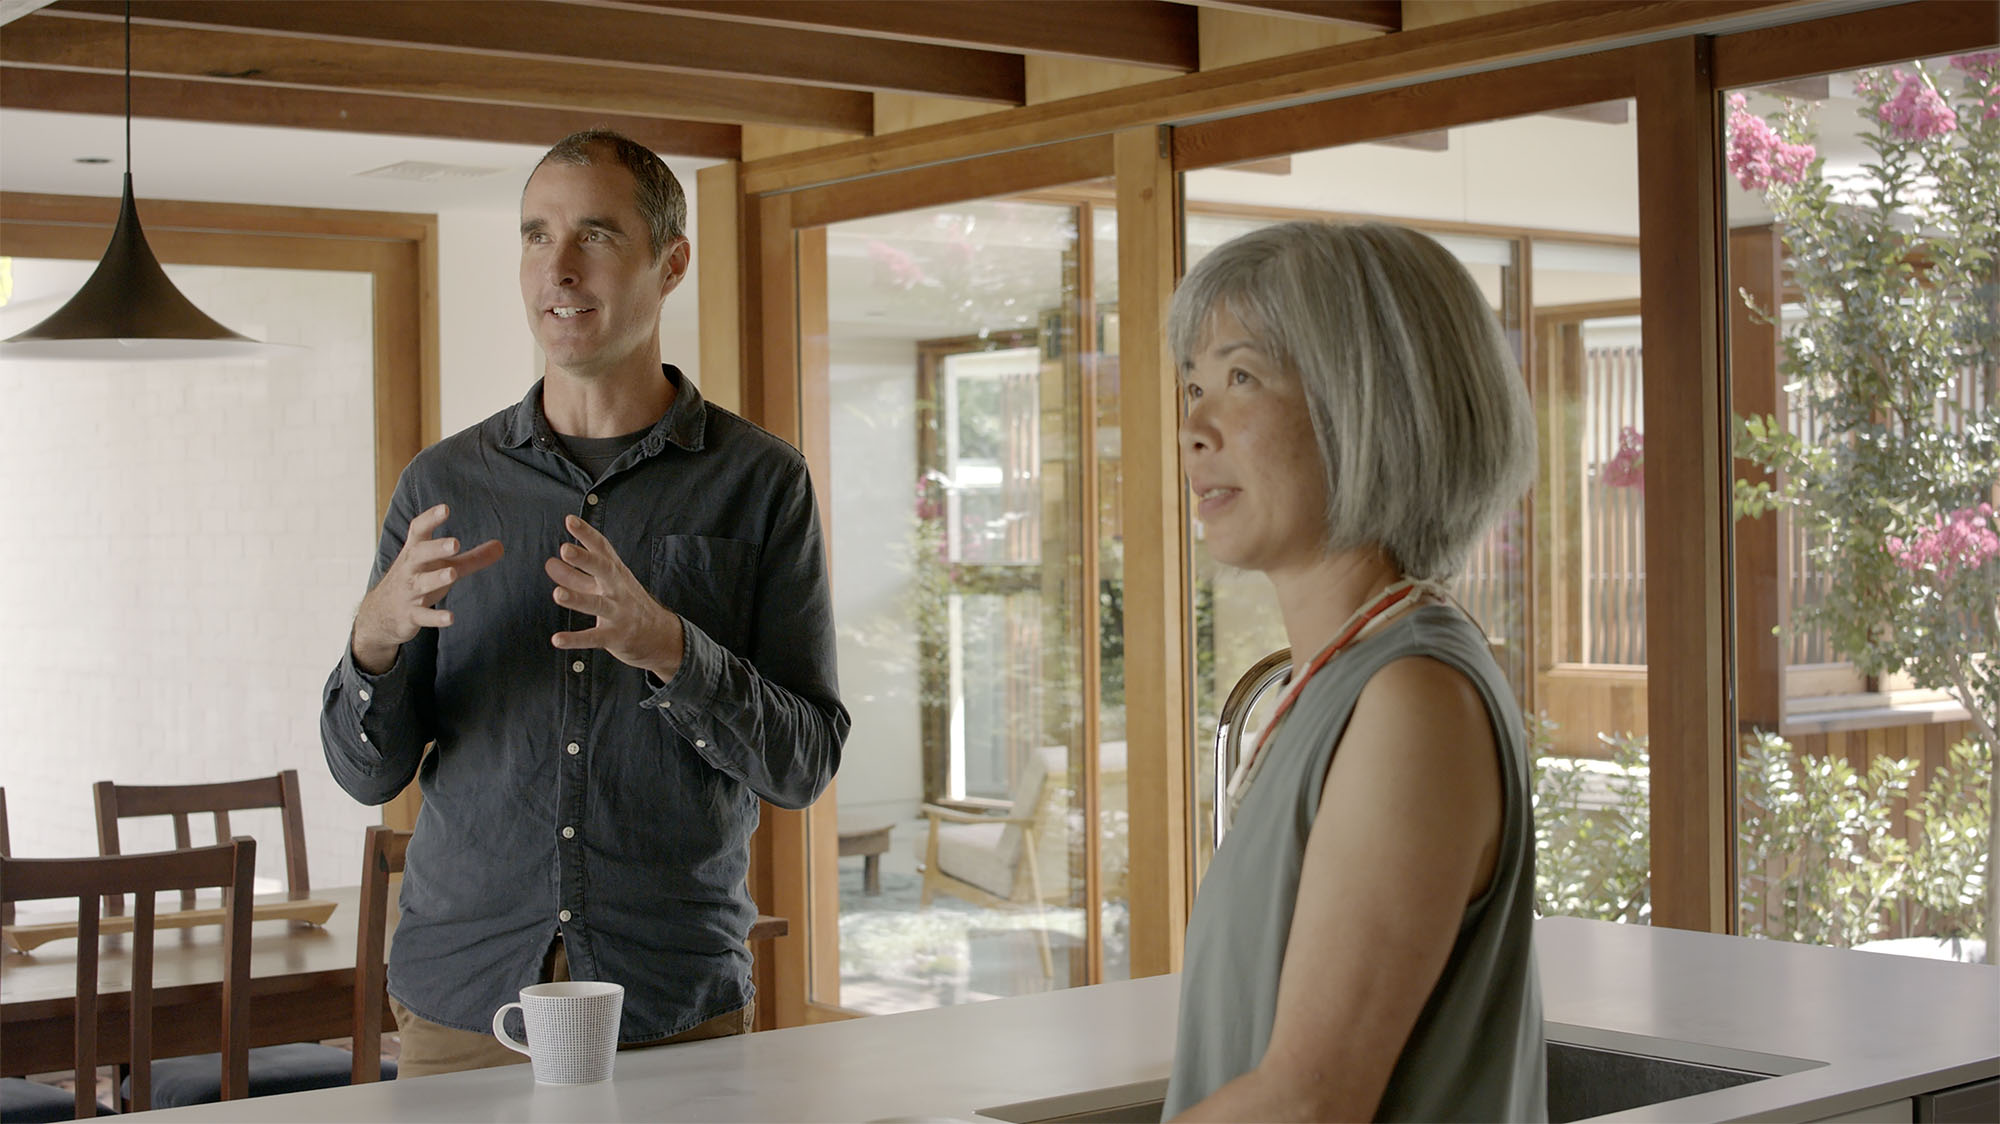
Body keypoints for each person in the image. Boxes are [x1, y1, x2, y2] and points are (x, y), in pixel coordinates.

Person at [320, 129, 849, 1077]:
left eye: (595, 236)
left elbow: (804, 764)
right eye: (535, 236)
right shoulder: (441, 483)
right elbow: (368, 775)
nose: (557, 268)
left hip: (670, 996)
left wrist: (672, 648)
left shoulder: (762, 485)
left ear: (671, 262)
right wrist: (373, 643)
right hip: (465, 1001)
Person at [1162, 220, 1545, 1121]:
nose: (1193, 428)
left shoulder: (1412, 701)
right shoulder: (1348, 680)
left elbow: (1305, 1104)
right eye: (1194, 386)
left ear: (1368, 403)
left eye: (1241, 377)